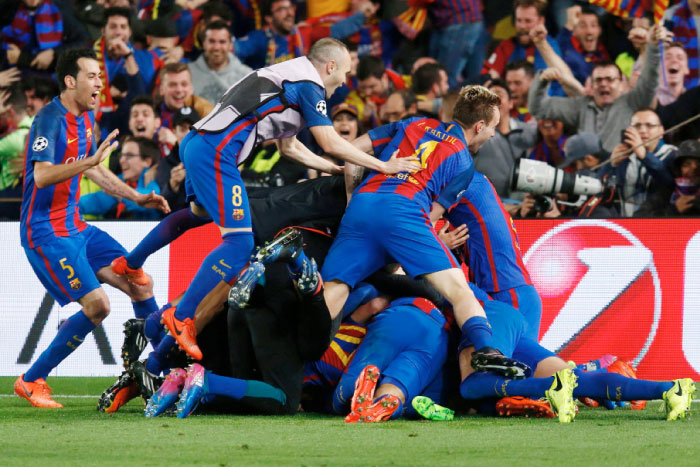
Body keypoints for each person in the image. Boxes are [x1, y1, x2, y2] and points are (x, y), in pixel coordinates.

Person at [114, 39, 419, 362]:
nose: (343, 82)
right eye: (343, 73)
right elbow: (328, 141)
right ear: (330, 67)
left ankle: (130, 263)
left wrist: (331, 168)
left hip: (198, 143)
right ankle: (182, 317)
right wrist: (384, 166)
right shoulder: (309, 85)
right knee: (239, 245)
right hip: (219, 154)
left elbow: (288, 148)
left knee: (197, 213)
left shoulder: (284, 74)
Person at [316, 85, 528, 379]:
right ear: (479, 126)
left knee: (335, 289)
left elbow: (350, 150)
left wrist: (354, 199)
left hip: (362, 206)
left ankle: (300, 359)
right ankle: (487, 350)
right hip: (404, 212)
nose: (492, 134)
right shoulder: (464, 164)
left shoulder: (412, 123)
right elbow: (430, 216)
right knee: (459, 291)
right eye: (492, 128)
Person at [14, 48, 169, 408]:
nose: (100, 83)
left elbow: (95, 169)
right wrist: (88, 160)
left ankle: (160, 371)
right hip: (46, 233)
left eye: (100, 76)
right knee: (98, 305)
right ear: (71, 81)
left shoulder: (85, 119)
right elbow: (41, 175)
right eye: (92, 76)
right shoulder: (49, 120)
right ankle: (32, 379)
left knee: (138, 281)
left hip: (76, 227)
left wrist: (137, 197)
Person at [451, 284, 696, 422]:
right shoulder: (434, 259)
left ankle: (545, 389)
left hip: (488, 318)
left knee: (473, 384)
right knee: (575, 380)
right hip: (505, 318)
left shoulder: (423, 264)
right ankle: (669, 389)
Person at [528, 24, 669, 151]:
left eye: (610, 79)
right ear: (591, 85)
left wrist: (653, 47)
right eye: (598, 80)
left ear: (622, 85)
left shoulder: (632, 101)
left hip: (623, 174)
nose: (603, 84)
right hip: (587, 175)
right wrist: (541, 82)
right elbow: (538, 108)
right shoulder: (580, 106)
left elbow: (650, 80)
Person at [604, 108, 677, 217]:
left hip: (660, 223)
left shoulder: (673, 154)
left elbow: (670, 184)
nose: (642, 130)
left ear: (661, 131)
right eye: (637, 126)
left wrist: (644, 156)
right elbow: (603, 188)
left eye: (649, 125)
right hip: (625, 226)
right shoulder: (624, 156)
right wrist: (611, 164)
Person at [472, 79, 537, 200]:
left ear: (511, 103)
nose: (495, 101)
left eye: (499, 95)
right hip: (486, 204)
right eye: (490, 98)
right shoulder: (476, 134)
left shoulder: (527, 132)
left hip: (522, 206)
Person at [79, 136, 163, 220]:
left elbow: (150, 198)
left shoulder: (156, 176)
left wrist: (117, 191)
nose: (121, 160)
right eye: (121, 155)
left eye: (129, 155)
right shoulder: (121, 180)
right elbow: (96, 201)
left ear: (147, 162)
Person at [188, 21, 253, 104]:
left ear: (230, 45)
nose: (216, 47)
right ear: (203, 43)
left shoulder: (247, 76)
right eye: (211, 41)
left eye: (222, 42)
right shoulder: (188, 73)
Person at [556, 5, 609, 86]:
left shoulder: (606, 53)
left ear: (600, 30)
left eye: (593, 25)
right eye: (583, 26)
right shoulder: (568, 53)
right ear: (574, 31)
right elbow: (555, 51)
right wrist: (569, 25)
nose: (589, 31)